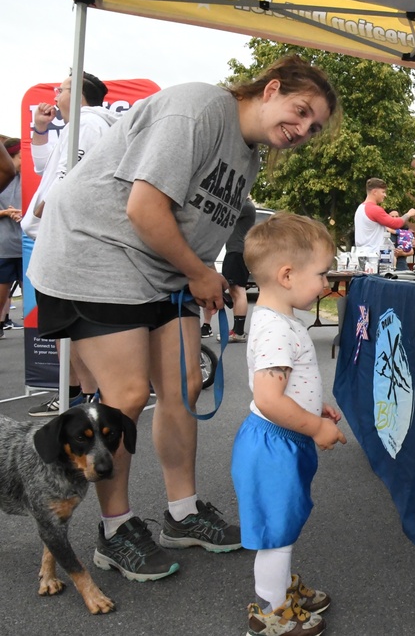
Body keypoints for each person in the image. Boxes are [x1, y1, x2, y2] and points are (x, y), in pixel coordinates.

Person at [26, 54, 340, 582]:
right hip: (96, 253)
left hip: (162, 269)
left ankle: (183, 512)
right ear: (271, 88)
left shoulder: (250, 156)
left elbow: (216, 224)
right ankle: (115, 527)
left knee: (186, 384)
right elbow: (143, 208)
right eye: (301, 110)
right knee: (125, 396)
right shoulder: (198, 109)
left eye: (313, 129)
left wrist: (235, 276)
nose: (302, 129)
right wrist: (199, 273)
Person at [232, 212, 346, 636]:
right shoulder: (277, 329)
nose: (326, 284)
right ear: (286, 275)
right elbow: (268, 397)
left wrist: (314, 411)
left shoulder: (280, 322)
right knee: (276, 531)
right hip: (273, 445)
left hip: (280, 439)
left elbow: (286, 390)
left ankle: (278, 591)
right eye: (321, 274)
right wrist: (315, 429)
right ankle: (272, 612)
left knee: (285, 521)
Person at [25, 71, 116, 415]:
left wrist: (44, 205)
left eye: (61, 88)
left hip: (66, 236)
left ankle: (88, 394)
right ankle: (80, 394)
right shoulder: (79, 126)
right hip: (60, 234)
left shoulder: (89, 122)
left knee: (72, 322)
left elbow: (68, 174)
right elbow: (44, 165)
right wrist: (40, 128)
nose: (54, 93)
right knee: (67, 325)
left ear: (79, 94)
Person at [218, 198, 257, 342]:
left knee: (238, 290)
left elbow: (226, 212)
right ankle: (236, 330)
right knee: (234, 291)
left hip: (238, 252)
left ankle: (239, 332)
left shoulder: (246, 206)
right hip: (234, 252)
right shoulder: (242, 205)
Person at [354, 178, 415, 252]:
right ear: (374, 192)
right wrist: (409, 214)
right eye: (383, 192)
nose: (385, 195)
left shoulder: (360, 208)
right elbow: (396, 223)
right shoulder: (374, 209)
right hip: (373, 255)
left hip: (361, 252)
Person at [0, 138, 23, 338]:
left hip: (26, 247)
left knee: (33, 300)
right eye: (23, 155)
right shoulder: (3, 177)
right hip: (3, 248)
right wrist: (5, 213)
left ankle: (38, 343)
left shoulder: (32, 178)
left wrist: (24, 213)